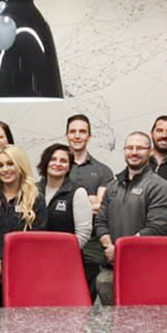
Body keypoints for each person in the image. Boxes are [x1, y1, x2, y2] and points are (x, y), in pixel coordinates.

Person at [94, 131, 167, 305]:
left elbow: (156, 228)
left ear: (150, 151)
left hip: (145, 272)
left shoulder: (161, 187)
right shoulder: (113, 186)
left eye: (140, 148)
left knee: (141, 320)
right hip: (110, 270)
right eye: (129, 148)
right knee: (110, 320)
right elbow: (100, 221)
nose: (134, 152)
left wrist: (120, 251)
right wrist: (109, 247)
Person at [0, 145, 46, 306]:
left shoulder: (35, 199)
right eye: (0, 165)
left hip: (23, 278)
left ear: (20, 165)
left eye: (10, 163)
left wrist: (5, 266)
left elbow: (36, 244)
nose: (5, 169)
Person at [65, 113, 114, 298]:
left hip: (92, 246)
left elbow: (100, 208)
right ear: (67, 135)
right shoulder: (58, 166)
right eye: (73, 132)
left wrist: (72, 205)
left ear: (89, 136)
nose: (77, 136)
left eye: (82, 132)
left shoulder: (103, 171)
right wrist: (89, 201)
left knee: (87, 299)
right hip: (63, 242)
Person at [37, 143, 92, 248]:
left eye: (63, 161)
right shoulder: (32, 190)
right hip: (34, 252)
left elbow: (83, 235)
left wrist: (61, 253)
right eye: (53, 159)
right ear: (45, 162)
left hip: (65, 254)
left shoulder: (78, 193)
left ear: (69, 167)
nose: (58, 164)